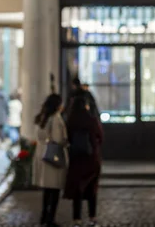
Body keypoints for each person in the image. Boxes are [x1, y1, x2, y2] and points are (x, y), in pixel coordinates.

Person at [64, 96, 103, 227]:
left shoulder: (70, 121)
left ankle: (77, 219)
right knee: (92, 189)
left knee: (77, 190)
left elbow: (67, 139)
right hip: (91, 159)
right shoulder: (92, 120)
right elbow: (100, 137)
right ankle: (92, 218)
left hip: (76, 159)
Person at [33, 94, 68, 227]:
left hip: (43, 153)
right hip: (54, 156)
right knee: (55, 189)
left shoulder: (42, 117)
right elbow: (58, 139)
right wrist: (66, 142)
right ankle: (50, 219)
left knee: (47, 190)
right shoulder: (55, 118)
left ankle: (44, 216)